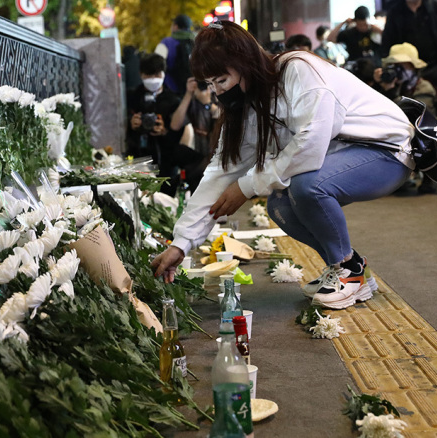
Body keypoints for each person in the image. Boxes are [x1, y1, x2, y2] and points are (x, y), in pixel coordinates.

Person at [150, 21, 415, 310]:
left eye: (222, 80)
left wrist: (247, 186)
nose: (217, 93)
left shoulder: (299, 70)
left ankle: (350, 273)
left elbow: (309, 147)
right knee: (279, 204)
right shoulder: (248, 103)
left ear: (244, 62)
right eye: (210, 85)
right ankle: (347, 266)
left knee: (306, 186)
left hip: (388, 151)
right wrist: (181, 243)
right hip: (346, 157)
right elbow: (220, 172)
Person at [372, 43, 437, 194]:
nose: (398, 71)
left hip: (426, 137)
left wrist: (391, 93)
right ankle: (398, 176)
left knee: (421, 136)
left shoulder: (424, 87)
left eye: (403, 66)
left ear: (414, 68)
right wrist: (378, 86)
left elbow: (416, 119)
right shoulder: (392, 85)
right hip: (403, 139)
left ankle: (431, 176)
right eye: (394, 66)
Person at [126, 53, 184, 194]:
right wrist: (131, 123)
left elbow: (179, 136)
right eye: (149, 75)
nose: (153, 79)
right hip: (138, 160)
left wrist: (165, 131)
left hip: (166, 164)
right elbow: (120, 128)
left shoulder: (174, 101)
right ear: (141, 74)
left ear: (164, 74)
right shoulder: (132, 97)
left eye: (157, 74)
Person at [169, 76, 221, 189]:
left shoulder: (219, 97)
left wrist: (207, 104)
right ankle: (182, 180)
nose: (205, 87)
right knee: (178, 151)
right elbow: (174, 125)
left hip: (218, 158)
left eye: (207, 83)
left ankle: (180, 180)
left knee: (193, 174)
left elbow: (223, 121)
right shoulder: (194, 104)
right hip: (200, 157)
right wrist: (188, 94)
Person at [154, 14, 195, 96]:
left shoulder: (166, 42)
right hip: (193, 89)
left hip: (171, 89)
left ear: (176, 26)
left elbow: (155, 64)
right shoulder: (196, 42)